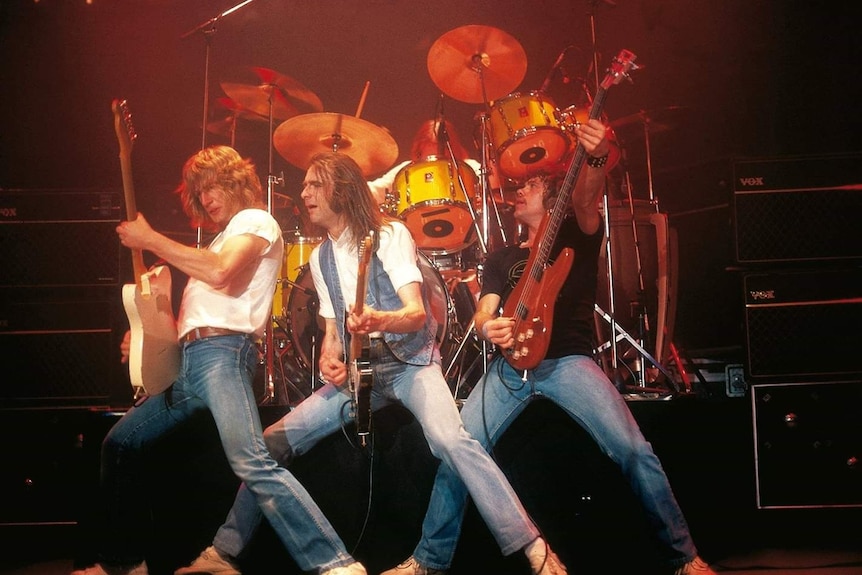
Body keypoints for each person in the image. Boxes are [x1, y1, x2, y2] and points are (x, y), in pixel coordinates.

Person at [175, 151, 566, 575]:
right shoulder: (321, 257)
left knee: (451, 440)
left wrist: (381, 319)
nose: (303, 192)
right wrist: (330, 359)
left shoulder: (388, 234)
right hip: (360, 377)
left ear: (341, 189)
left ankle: (531, 546)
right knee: (271, 441)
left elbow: (416, 313)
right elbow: (331, 334)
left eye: (314, 184)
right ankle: (224, 552)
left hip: (410, 365)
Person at [383, 119, 718, 575]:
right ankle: (428, 560)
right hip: (508, 368)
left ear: (554, 199)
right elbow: (484, 311)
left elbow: (587, 194)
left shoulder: (575, 233)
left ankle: (684, 556)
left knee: (634, 449)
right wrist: (488, 328)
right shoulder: (501, 256)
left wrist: (595, 157)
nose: (518, 192)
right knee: (461, 450)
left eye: (532, 187)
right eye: (519, 188)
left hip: (567, 362)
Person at [72, 145, 367, 575]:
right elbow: (195, 313)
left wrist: (150, 239)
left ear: (235, 184)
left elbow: (219, 273)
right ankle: (122, 563)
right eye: (199, 191)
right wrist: (145, 337)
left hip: (223, 354)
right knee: (120, 443)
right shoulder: (216, 239)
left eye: (213, 186)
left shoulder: (255, 220)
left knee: (251, 459)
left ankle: (335, 564)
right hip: (190, 362)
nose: (206, 197)